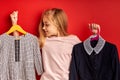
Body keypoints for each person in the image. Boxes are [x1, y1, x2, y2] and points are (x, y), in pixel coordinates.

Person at [38, 8, 81, 80]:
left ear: (57, 24)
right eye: (43, 24)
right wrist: (15, 26)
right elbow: (20, 44)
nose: (43, 27)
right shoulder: (44, 41)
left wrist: (95, 36)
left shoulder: (73, 40)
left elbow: (88, 55)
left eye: (47, 24)